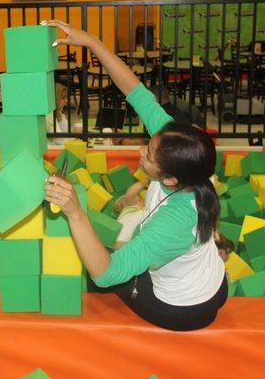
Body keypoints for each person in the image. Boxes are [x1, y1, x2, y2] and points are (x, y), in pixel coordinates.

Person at [44, 20, 227, 331]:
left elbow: (106, 273)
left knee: (98, 276)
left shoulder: (174, 222)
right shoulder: (178, 151)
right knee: (124, 247)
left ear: (170, 179)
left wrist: (75, 212)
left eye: (149, 155)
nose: (142, 151)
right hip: (213, 284)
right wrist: (92, 43)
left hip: (183, 310)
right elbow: (134, 90)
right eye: (149, 143)